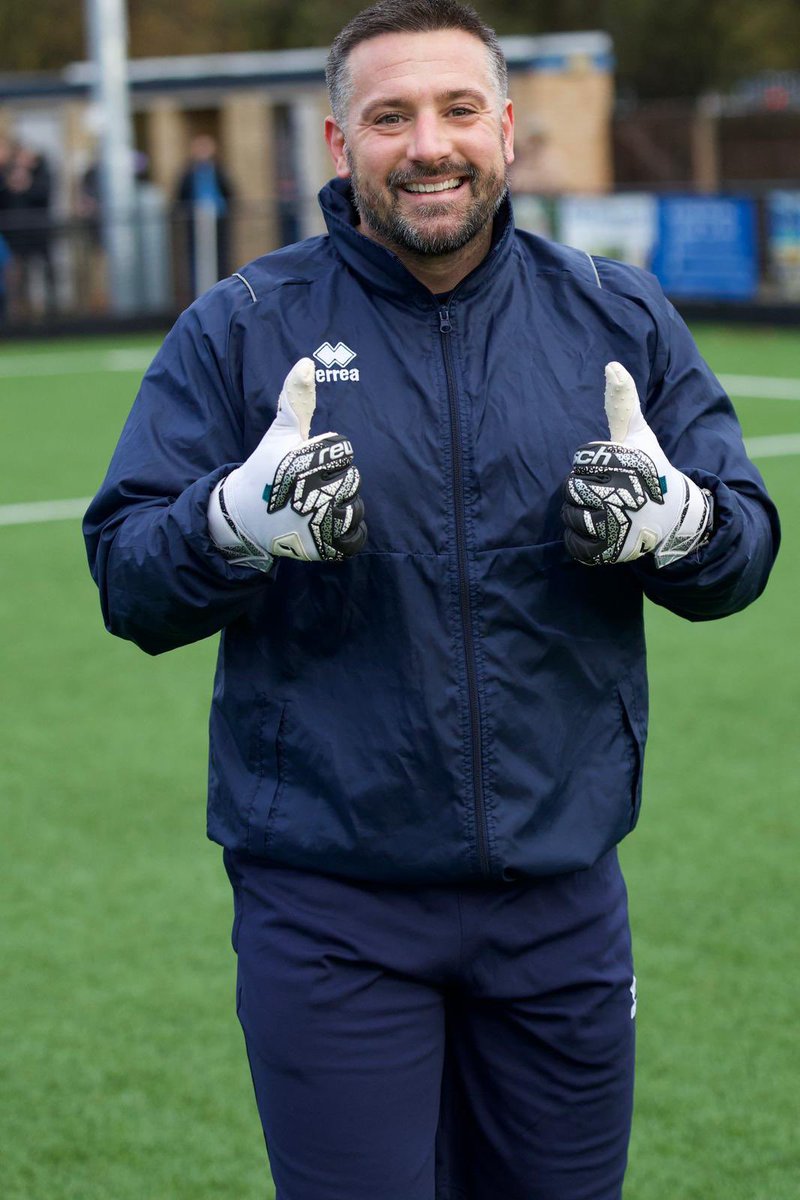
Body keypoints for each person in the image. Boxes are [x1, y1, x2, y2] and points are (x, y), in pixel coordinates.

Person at [83, 2, 779, 1197]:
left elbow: (744, 544)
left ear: (504, 128)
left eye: (458, 109)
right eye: (389, 115)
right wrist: (228, 528)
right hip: (329, 905)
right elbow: (125, 573)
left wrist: (684, 527)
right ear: (336, 142)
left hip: (559, 899)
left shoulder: (615, 317)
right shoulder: (242, 327)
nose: (429, 143)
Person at [175, 133, 235, 297]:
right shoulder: (188, 172)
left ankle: (223, 291)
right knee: (196, 260)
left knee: (221, 257)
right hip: (195, 222)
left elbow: (229, 191)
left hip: (218, 221)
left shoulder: (219, 169)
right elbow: (180, 195)